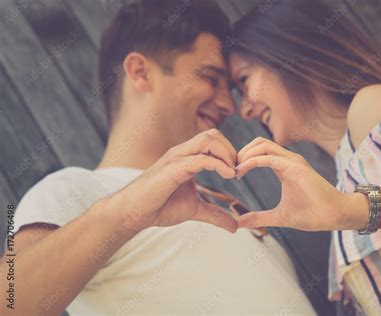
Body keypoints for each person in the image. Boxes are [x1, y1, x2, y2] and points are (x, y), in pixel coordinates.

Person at [0, 1, 316, 315]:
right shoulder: (73, 188)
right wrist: (126, 214)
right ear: (140, 72)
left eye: (231, 89)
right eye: (210, 78)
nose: (228, 105)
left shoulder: (214, 204)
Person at [227, 1, 381, 314]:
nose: (245, 109)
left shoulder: (370, 108)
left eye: (244, 81)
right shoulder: (347, 173)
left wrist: (349, 209)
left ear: (291, 52)